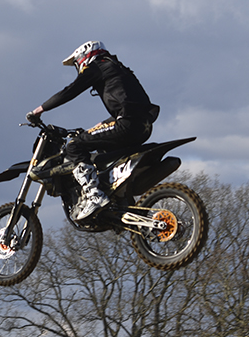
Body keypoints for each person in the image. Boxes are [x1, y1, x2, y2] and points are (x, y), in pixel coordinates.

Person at [27, 41, 158, 221]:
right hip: (143, 126)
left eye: (76, 63)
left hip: (127, 124)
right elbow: (131, 104)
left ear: (85, 56)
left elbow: (70, 91)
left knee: (74, 146)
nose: (78, 67)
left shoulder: (98, 66)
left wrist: (39, 110)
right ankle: (120, 203)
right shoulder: (119, 68)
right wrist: (100, 126)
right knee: (102, 152)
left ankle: (94, 195)